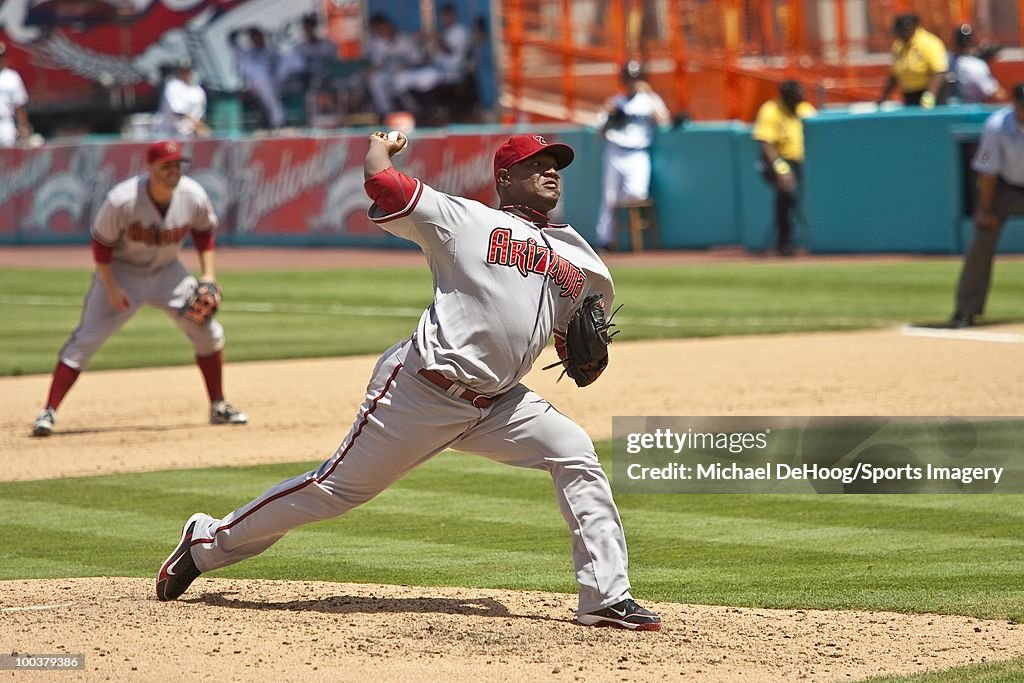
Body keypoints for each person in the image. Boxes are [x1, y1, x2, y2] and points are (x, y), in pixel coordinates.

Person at [155, 132, 662, 632]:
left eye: (555, 164)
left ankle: (605, 597)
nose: (551, 172)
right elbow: (385, 185)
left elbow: (579, 335)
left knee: (574, 450)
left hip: (500, 404)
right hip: (420, 391)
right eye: (535, 164)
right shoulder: (465, 219)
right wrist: (380, 148)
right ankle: (206, 540)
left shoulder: (579, 256)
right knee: (332, 491)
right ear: (505, 178)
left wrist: (589, 357)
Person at [31, 140, 247, 437]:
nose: (173, 171)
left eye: (177, 165)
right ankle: (49, 411)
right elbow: (102, 245)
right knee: (86, 340)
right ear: (150, 168)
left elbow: (203, 232)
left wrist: (208, 275)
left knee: (208, 333)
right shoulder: (122, 200)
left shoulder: (192, 195)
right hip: (121, 272)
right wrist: (110, 287)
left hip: (168, 272)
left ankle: (218, 405)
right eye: (166, 166)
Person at [949, 83, 1024, 328]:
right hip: (1006, 188)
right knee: (982, 240)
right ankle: (965, 310)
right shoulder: (997, 126)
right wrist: (985, 209)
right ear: (1014, 104)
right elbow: (988, 173)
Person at [593, 60, 671, 250]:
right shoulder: (615, 101)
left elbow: (664, 121)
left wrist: (651, 96)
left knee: (636, 194)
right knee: (609, 198)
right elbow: (600, 133)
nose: (632, 82)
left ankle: (633, 240)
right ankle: (605, 241)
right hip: (615, 151)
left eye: (635, 79)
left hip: (638, 153)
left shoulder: (649, 100)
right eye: (629, 78)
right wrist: (611, 118)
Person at [752, 80, 817, 256]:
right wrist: (780, 168)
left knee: (802, 198)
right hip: (779, 160)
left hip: (803, 161)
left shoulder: (805, 109)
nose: (800, 99)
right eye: (796, 96)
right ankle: (784, 241)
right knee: (786, 195)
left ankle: (810, 238)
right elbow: (765, 142)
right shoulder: (770, 110)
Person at [390, 4, 472, 114]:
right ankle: (410, 110)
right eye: (443, 16)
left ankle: (428, 110)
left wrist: (434, 36)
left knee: (427, 78)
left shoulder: (460, 30)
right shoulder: (443, 31)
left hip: (452, 71)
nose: (445, 19)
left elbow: (449, 51)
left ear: (453, 15)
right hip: (436, 68)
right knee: (402, 77)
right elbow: (429, 56)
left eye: (447, 16)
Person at [878, 14, 948, 108]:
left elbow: (939, 72)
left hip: (929, 94)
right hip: (909, 95)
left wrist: (930, 96)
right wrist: (883, 98)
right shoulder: (898, 46)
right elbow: (895, 75)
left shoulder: (929, 43)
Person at [364, 13, 425, 118]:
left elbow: (418, 60)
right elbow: (377, 64)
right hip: (388, 73)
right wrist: (371, 71)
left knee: (401, 80)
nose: (385, 32)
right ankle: (386, 111)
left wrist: (406, 66)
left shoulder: (405, 40)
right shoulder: (379, 43)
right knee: (375, 79)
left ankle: (413, 110)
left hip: (406, 72)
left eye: (386, 28)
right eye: (382, 30)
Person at [229, 26, 285, 130]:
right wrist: (243, 30)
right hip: (250, 85)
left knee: (267, 88)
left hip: (269, 83)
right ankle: (267, 123)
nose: (257, 39)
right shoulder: (247, 52)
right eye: (254, 37)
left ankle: (277, 123)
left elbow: (282, 66)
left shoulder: (271, 51)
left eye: (258, 36)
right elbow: (231, 41)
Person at [277, 13, 339, 98]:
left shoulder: (327, 44)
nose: (309, 29)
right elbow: (296, 69)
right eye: (306, 26)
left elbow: (336, 63)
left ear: (314, 27)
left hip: (327, 78)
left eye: (311, 26)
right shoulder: (298, 48)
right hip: (308, 81)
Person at [947, 23, 1007, 104]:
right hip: (970, 113)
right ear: (972, 41)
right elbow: (998, 95)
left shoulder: (945, 60)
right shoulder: (976, 66)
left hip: (946, 112)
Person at [155, 58, 211, 139]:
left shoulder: (198, 91)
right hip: (170, 135)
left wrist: (201, 128)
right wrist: (199, 126)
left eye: (188, 71)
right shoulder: (173, 86)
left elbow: (199, 115)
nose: (186, 73)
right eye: (183, 71)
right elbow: (178, 112)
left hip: (191, 134)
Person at [0, 41, 32, 146]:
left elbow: (20, 104)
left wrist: (23, 127)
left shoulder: (12, 77)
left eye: (1, 57)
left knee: (7, 158)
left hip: (5, 123)